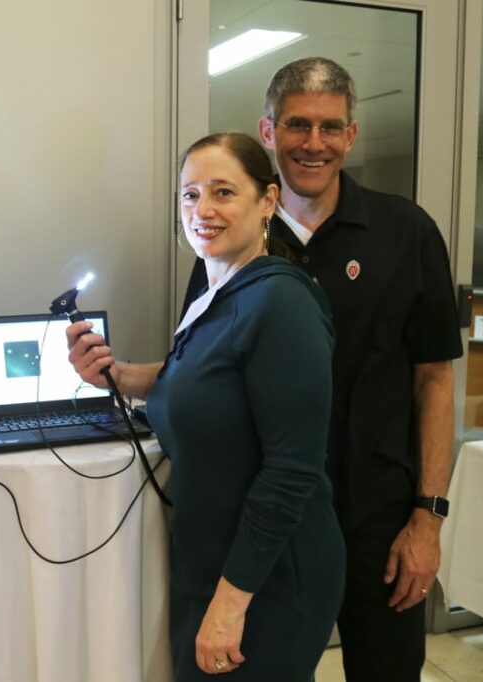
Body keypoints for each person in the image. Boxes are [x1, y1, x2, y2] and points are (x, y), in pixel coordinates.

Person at [183, 58, 462, 681]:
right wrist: (118, 375)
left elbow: (435, 380)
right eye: (298, 125)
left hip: (378, 520)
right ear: (268, 130)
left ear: (352, 135)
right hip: (268, 523)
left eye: (331, 127)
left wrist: (428, 518)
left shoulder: (406, 232)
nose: (315, 143)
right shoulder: (228, 235)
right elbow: (198, 366)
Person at [68, 132, 345, 680]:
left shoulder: (280, 302)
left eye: (223, 192)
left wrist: (230, 604)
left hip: (267, 575)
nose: (203, 210)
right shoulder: (216, 293)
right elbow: (203, 388)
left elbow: (291, 472)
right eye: (190, 195)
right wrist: (118, 376)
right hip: (213, 560)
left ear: (267, 202)